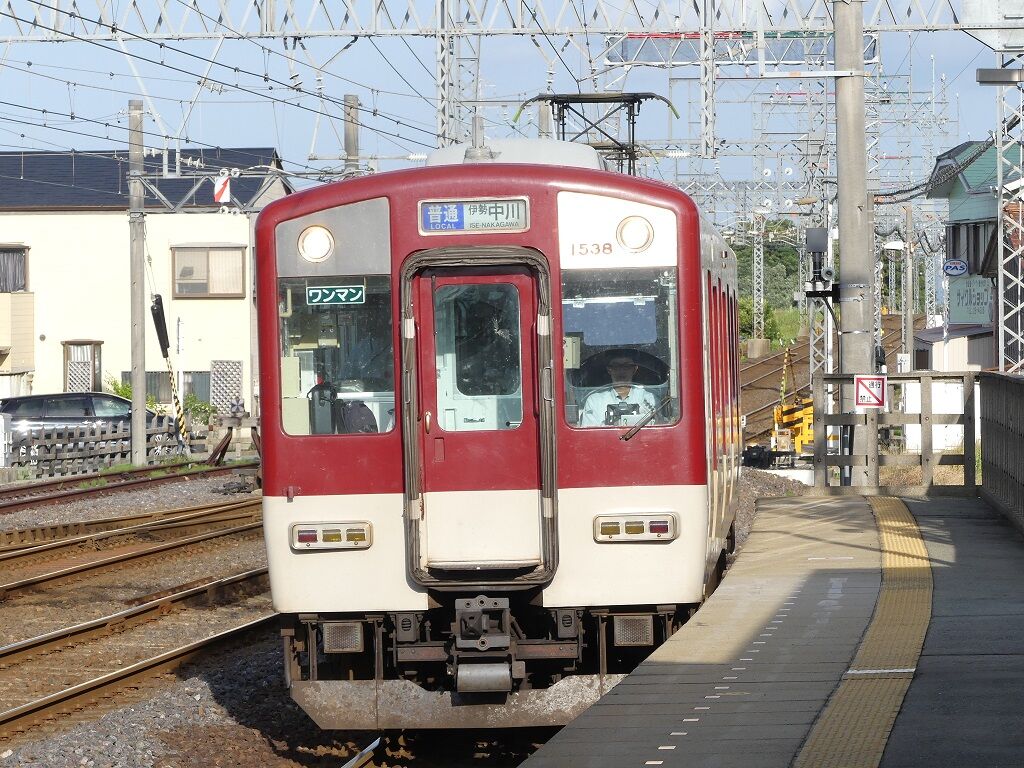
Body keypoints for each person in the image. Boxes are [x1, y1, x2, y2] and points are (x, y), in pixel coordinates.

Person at [579, 351, 658, 427]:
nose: (621, 370)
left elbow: (656, 430)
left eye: (626, 366)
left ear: (634, 369)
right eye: (616, 366)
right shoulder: (594, 401)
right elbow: (589, 433)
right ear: (609, 369)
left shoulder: (649, 399)